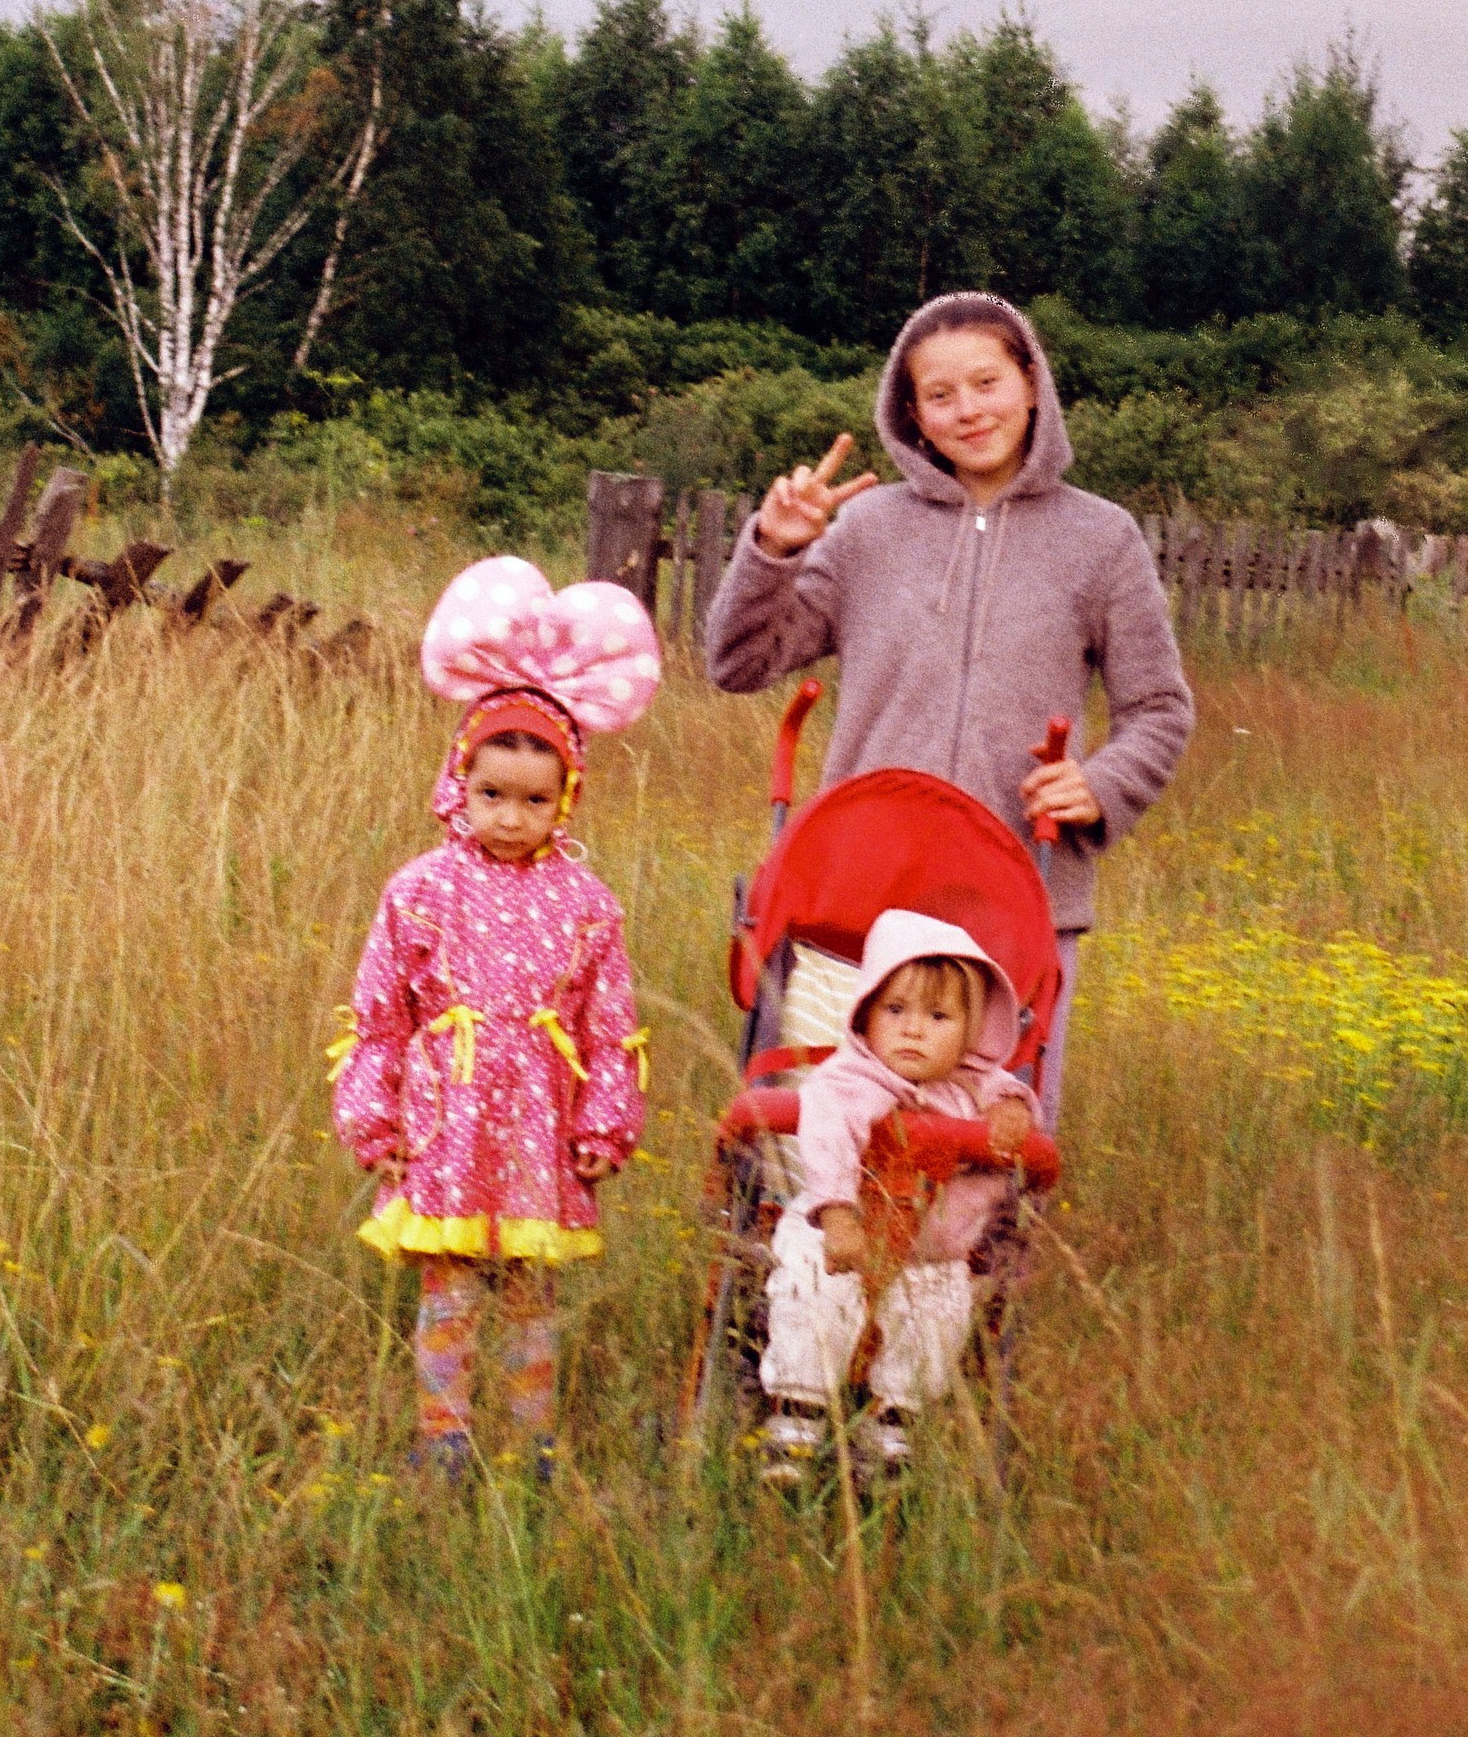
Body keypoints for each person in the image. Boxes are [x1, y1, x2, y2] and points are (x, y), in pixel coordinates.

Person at [705, 291, 1194, 1131]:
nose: (968, 409)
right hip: (858, 895)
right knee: (826, 1137)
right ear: (912, 416)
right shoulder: (864, 530)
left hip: (1018, 896)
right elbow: (738, 660)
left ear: (1032, 384)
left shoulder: (1102, 540)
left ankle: (982, 1269)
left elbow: (1158, 708)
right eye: (941, 394)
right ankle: (803, 1263)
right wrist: (775, 549)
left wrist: (1102, 784)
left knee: (990, 1147)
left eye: (987, 381)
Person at [330, 556, 660, 1482]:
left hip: (538, 1134)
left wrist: (606, 1121)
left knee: (532, 1295)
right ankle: (444, 1439)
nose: (511, 817)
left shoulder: (586, 900)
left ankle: (532, 1443)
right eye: (491, 794)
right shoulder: (421, 888)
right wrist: (376, 1119)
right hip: (447, 1124)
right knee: (449, 1292)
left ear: (567, 796)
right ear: (458, 782)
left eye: (534, 798)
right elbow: (379, 1015)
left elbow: (610, 1024)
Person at [760, 909, 1040, 1485]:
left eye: (938, 1017)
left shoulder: (975, 1085)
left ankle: (894, 1426)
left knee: (936, 1315)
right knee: (817, 1297)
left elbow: (1010, 1094)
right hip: (841, 1233)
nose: (914, 1030)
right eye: (896, 1011)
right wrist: (838, 1211)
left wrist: (1013, 1112)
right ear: (866, 1013)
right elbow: (829, 1133)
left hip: (932, 1251)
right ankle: (798, 1416)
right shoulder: (852, 1080)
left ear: (971, 1031)